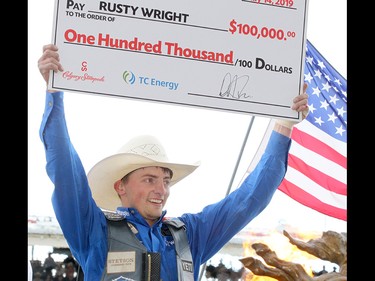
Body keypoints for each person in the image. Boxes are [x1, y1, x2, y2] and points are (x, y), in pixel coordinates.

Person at [37, 44, 309, 281]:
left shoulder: (190, 235)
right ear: (121, 185)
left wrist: (284, 123)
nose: (162, 190)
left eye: (165, 180)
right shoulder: (93, 230)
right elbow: (64, 169)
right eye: (149, 179)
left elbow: (250, 199)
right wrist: (54, 90)